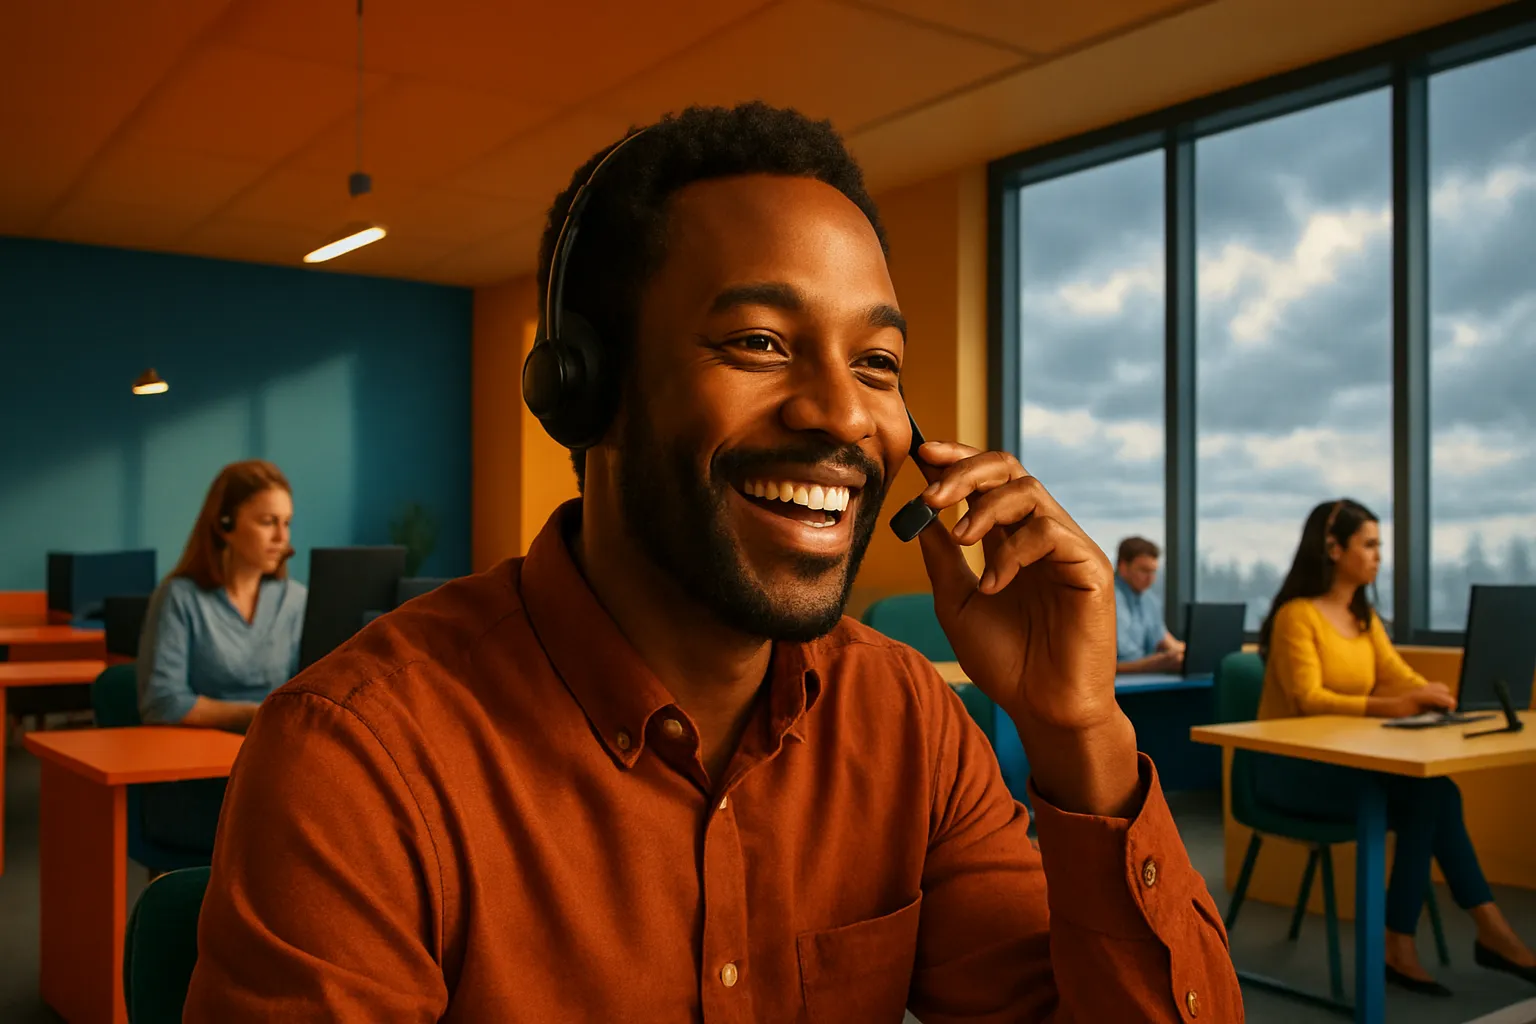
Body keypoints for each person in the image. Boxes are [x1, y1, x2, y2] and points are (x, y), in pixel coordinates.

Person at [185, 103, 1240, 1022]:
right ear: (583, 392)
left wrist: (1080, 731)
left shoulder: (906, 720)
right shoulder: (360, 760)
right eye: (760, 344)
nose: (841, 413)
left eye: (877, 364)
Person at [1254, 498, 1536, 995]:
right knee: (1431, 796)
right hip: (1293, 772)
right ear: (1333, 548)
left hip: (1344, 767)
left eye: (1378, 545)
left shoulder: (1365, 619)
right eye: (1369, 544)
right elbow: (1307, 697)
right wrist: (1397, 706)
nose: (1378, 555)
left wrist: (1436, 694)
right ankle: (1473, 935)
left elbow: (1397, 676)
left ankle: (1430, 940)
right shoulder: (1297, 617)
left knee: (1436, 793)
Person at [136, 459, 305, 852]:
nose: (282, 537)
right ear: (224, 524)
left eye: (287, 522)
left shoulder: (297, 600)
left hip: (275, 767)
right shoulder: (180, 597)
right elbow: (163, 702)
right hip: (199, 781)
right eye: (267, 522)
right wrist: (257, 714)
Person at [1115, 536, 1185, 674]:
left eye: (1153, 572)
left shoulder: (1149, 600)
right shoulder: (1104, 599)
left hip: (1145, 677)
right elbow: (1099, 666)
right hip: (1114, 684)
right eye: (1144, 571)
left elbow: (1170, 644)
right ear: (1123, 567)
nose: (1150, 578)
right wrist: (1152, 664)